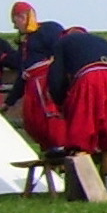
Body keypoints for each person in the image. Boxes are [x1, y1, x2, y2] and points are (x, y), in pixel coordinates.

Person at [50, 27, 107, 195]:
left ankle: (83, 191)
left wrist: (60, 103)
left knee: (80, 138)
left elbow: (55, 78)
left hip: (89, 80)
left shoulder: (62, 43)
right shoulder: (102, 41)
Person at [16, 21, 69, 151]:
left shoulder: (48, 29)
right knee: (35, 119)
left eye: (15, 22)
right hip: (32, 84)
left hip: (44, 82)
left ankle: (59, 146)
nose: (15, 27)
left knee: (50, 113)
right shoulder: (25, 40)